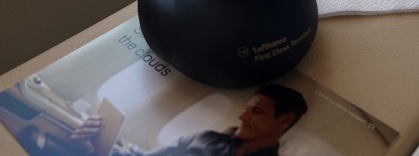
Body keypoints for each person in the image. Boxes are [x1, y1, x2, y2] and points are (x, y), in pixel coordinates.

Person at [69, 83, 308, 156]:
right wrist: (93, 148)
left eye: (256, 111)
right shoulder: (207, 138)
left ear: (284, 120)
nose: (242, 116)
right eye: (246, 109)